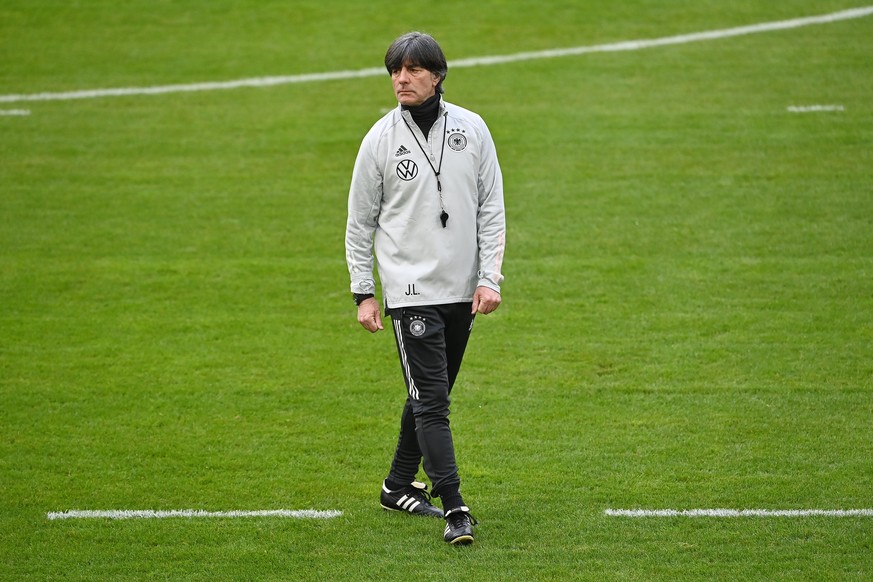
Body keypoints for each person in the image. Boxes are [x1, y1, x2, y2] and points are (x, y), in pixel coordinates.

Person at [344, 31, 506, 545]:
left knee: (427, 394)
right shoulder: (380, 139)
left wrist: (489, 277)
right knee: (434, 402)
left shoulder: (472, 129)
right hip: (410, 291)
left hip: (462, 291)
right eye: (395, 70)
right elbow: (358, 222)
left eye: (412, 70)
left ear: (436, 75)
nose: (401, 79)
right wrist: (363, 292)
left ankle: (396, 484)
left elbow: (491, 209)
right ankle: (455, 505)